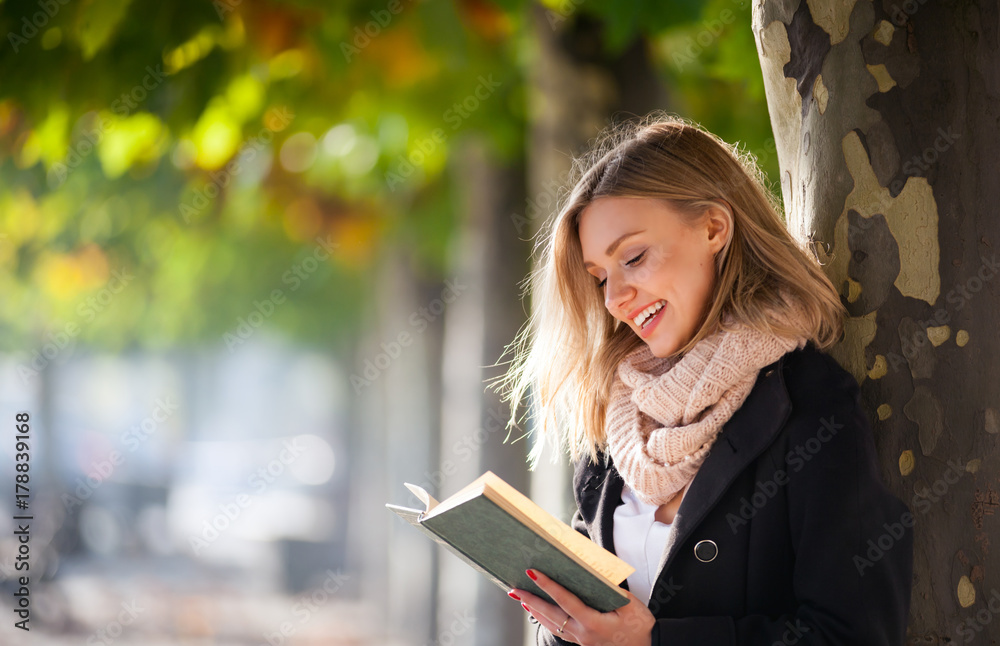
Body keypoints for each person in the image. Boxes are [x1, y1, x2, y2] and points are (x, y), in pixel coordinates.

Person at [496, 112, 914, 645]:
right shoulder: (620, 411)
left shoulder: (809, 403)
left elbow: (855, 635)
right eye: (600, 276)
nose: (613, 297)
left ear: (714, 228)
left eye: (635, 256)